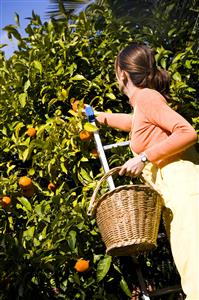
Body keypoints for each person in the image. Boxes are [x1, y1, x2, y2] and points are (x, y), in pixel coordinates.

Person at [95, 44, 199, 300]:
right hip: (175, 193)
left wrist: (143, 157)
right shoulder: (143, 103)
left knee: (195, 269)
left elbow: (188, 132)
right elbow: (133, 123)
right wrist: (98, 116)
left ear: (122, 74)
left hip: (183, 188)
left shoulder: (147, 98)